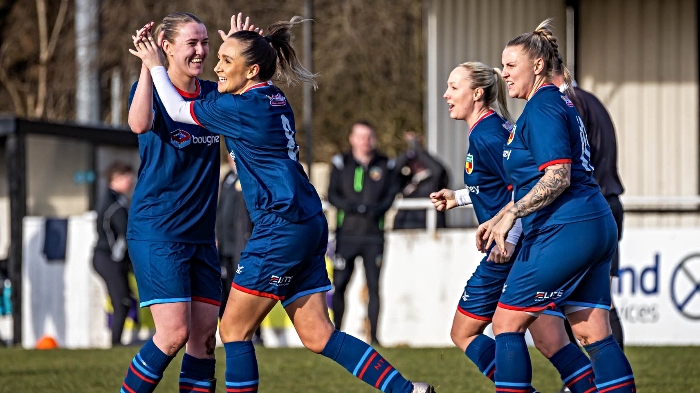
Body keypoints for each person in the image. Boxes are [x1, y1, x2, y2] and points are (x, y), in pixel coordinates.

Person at [130, 15, 435, 393]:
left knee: (234, 329)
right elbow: (157, 115)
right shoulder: (271, 96)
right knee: (318, 334)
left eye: (224, 59)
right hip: (308, 220)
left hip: (280, 224)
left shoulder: (240, 108)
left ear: (252, 69)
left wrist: (155, 66)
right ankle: (406, 391)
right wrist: (241, 50)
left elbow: (177, 111)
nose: (216, 65)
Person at [482, 19, 636, 392]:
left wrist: (513, 213)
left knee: (505, 323)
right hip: (594, 221)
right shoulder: (556, 102)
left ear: (537, 65)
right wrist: (505, 213)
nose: (504, 74)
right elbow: (542, 179)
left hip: (567, 228)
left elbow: (558, 176)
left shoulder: (544, 105)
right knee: (592, 330)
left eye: (510, 65)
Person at [430, 62, 597, 393]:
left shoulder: (487, 135)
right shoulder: (492, 130)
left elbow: (527, 184)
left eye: (453, 87)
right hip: (529, 245)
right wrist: (460, 198)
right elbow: (505, 184)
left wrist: (510, 238)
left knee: (464, 332)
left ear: (477, 93)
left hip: (510, 249)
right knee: (552, 341)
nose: (446, 95)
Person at [121, 12, 256, 393]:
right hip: (158, 231)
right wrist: (150, 68)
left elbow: (252, 97)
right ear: (166, 47)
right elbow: (138, 125)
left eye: (206, 44)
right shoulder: (148, 90)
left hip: (200, 236)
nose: (201, 52)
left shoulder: (213, 95)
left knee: (204, 339)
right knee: (174, 333)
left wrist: (239, 50)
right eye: (191, 44)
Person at [552, 66, 626, 352]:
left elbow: (565, 162)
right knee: (596, 299)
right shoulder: (591, 100)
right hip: (606, 204)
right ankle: (606, 377)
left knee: (585, 300)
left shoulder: (570, 103)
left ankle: (597, 377)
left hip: (589, 209)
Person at [327, 120, 398, 346]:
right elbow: (332, 195)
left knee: (374, 287)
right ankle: (335, 334)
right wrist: (354, 208)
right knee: (340, 285)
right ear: (352, 138)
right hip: (346, 236)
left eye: (368, 137)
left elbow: (390, 196)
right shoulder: (341, 163)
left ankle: (375, 337)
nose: (365, 142)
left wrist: (372, 210)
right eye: (360, 137)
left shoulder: (385, 164)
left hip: (373, 237)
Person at [92, 161, 136, 347]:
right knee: (121, 300)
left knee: (124, 299)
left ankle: (116, 341)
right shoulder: (114, 203)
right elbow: (125, 234)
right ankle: (115, 343)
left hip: (108, 259)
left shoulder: (116, 200)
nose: (131, 180)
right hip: (108, 259)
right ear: (116, 178)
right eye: (127, 176)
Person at [394, 131, 449, 230]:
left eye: (419, 159)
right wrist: (409, 154)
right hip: (404, 233)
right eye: (413, 160)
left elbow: (438, 170)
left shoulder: (435, 180)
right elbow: (392, 172)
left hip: (429, 232)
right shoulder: (406, 181)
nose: (416, 163)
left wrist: (417, 149)